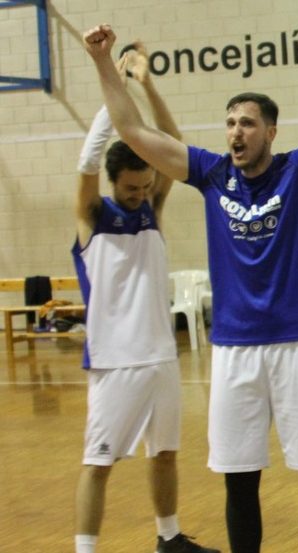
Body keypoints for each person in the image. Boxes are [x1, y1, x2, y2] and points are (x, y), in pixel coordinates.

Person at [83, 14, 298, 553]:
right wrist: (104, 63)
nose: (235, 133)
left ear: (271, 131)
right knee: (239, 478)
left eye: (247, 123)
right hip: (234, 351)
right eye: (230, 123)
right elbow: (132, 130)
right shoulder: (209, 173)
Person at [71, 44, 217, 553]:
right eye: (131, 187)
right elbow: (88, 158)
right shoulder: (92, 215)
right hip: (116, 362)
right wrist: (115, 83)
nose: (140, 192)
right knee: (99, 463)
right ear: (116, 184)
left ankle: (169, 538)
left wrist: (147, 83)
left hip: (160, 356)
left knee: (166, 454)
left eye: (145, 183)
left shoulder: (151, 206)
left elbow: (172, 144)